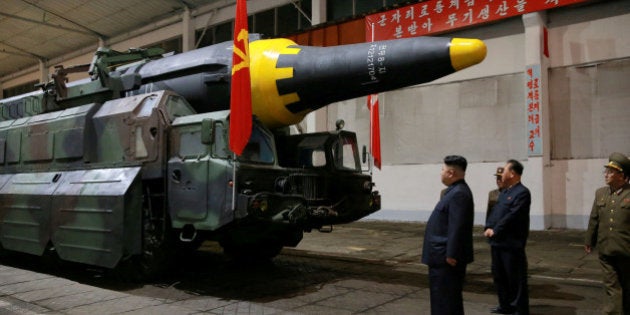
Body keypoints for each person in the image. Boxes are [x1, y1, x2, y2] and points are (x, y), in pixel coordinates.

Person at [422, 155, 474, 315]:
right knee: (443, 300)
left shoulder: (459, 194)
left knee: (446, 302)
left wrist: (452, 253)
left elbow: (457, 226)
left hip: (446, 259)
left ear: (451, 173)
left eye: (443, 170)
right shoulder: (454, 191)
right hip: (442, 256)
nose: (441, 173)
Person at [584, 152, 630, 315]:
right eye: (606, 171)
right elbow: (594, 219)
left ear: (621, 175)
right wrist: (589, 240)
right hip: (606, 249)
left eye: (611, 172)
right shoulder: (600, 193)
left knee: (626, 285)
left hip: (626, 251)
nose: (606, 175)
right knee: (612, 286)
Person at [484, 159, 531, 315]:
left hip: (511, 244)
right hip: (497, 243)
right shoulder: (505, 192)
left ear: (512, 173)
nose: (501, 174)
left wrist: (495, 230)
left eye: (504, 170)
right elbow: (495, 212)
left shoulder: (522, 193)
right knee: (499, 277)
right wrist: (488, 227)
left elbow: (512, 216)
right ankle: (505, 305)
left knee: (515, 278)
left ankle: (519, 309)